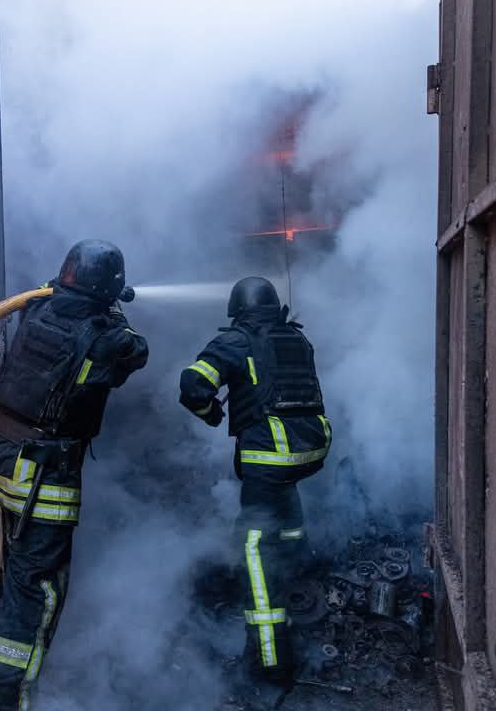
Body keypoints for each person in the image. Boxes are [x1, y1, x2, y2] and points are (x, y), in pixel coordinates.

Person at [0, 239, 149, 711]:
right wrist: (115, 313)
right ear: (108, 288)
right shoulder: (106, 334)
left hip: (5, 453)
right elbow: (137, 352)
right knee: (38, 594)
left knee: (22, 575)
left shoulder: (37, 310)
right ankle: (1, 701)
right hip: (42, 476)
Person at [178, 277, 331, 692]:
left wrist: (210, 412)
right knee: (285, 511)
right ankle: (297, 561)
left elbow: (193, 385)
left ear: (238, 309)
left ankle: (270, 660)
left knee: (253, 549)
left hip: (268, 456)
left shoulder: (236, 340)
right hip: (309, 451)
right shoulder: (298, 339)